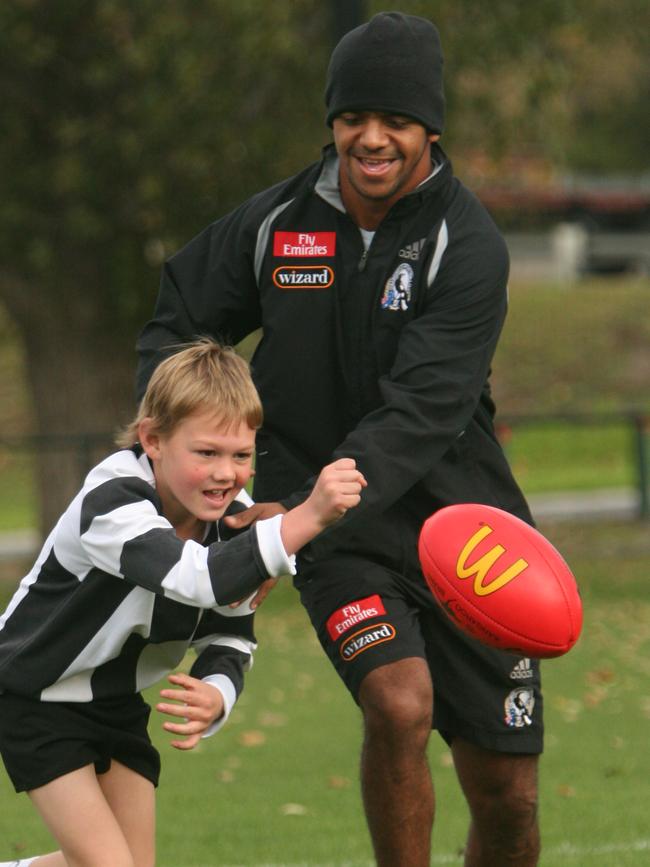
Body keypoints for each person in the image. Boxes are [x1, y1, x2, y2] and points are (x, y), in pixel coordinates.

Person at [136, 12, 543, 866]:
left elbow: (422, 410)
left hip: (467, 530)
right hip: (331, 531)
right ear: (332, 121)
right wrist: (198, 467)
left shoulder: (465, 245)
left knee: (507, 794)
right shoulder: (277, 224)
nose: (372, 137)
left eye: (395, 119)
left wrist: (314, 496)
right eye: (354, 115)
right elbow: (179, 319)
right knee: (398, 704)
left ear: (430, 128)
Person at [0, 339, 366, 867]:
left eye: (242, 455)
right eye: (207, 453)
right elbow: (197, 579)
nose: (226, 473)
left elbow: (231, 631)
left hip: (116, 705)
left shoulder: (233, 520)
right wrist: (304, 518)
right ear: (153, 439)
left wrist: (218, 694)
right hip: (37, 697)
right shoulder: (113, 501)